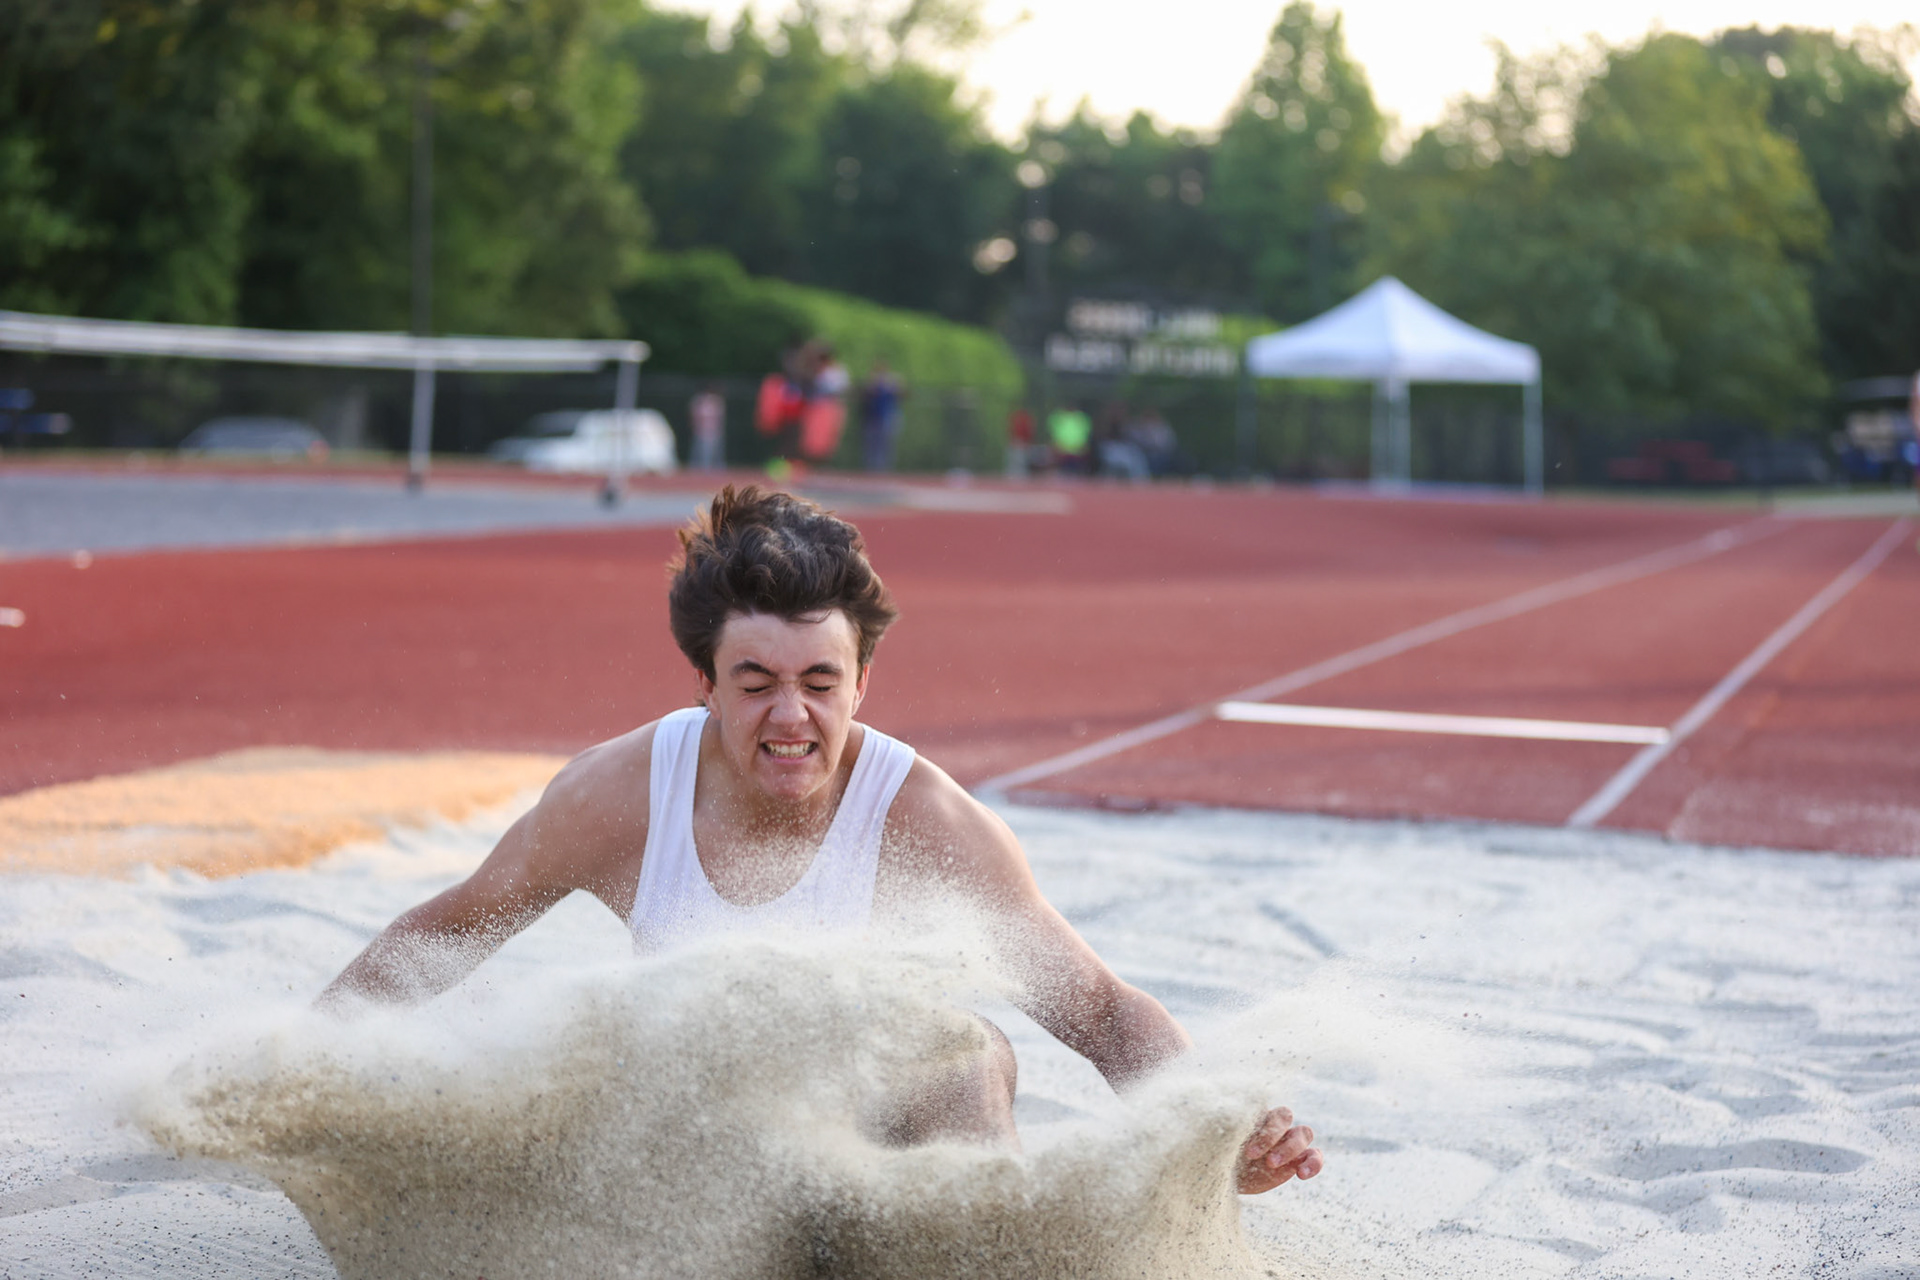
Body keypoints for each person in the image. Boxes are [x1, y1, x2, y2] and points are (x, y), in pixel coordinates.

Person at [321, 486, 1323, 1192]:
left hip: (892, 1127)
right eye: (755, 683)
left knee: (966, 1053)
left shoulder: (924, 819)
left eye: (820, 683)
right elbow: (450, 929)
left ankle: (991, 1245)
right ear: (704, 684)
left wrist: (1225, 1133)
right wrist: (295, 1063)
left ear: (862, 686)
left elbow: (1100, 1011)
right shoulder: (618, 795)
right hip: (703, 1128)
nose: (791, 716)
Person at [859, 359, 905, 473]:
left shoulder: (892, 381)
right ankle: (870, 469)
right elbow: (864, 395)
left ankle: (885, 469)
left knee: (886, 445)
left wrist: (893, 386)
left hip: (888, 416)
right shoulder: (871, 382)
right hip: (873, 417)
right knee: (871, 445)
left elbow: (903, 393)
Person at [689, 383, 726, 471]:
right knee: (701, 452)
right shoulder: (700, 401)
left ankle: (716, 469)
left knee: (716, 452)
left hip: (714, 431)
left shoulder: (717, 401)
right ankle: (698, 469)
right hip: (702, 431)